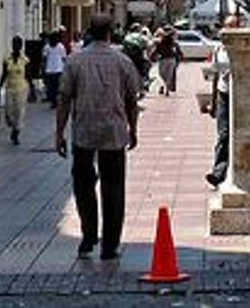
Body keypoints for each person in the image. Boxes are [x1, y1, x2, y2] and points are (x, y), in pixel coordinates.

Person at [55, 14, 140, 261]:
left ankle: (89, 234)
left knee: (83, 185)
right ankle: (110, 244)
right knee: (114, 188)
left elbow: (64, 98)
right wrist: (133, 129)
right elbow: (131, 100)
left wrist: (59, 132)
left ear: (89, 32)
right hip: (114, 131)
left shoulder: (75, 61)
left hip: (83, 131)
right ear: (110, 34)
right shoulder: (122, 61)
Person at [205, 14, 240, 188]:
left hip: (241, 96)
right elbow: (216, 75)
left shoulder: (244, 49)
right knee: (224, 134)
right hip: (224, 94)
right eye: (226, 27)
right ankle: (218, 173)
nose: (228, 31)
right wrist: (212, 101)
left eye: (233, 27)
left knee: (240, 135)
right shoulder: (219, 50)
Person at [0, 36, 30, 145]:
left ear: (21, 46)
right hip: (9, 88)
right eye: (14, 43)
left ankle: (16, 132)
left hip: (21, 89)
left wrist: (32, 89)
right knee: (9, 113)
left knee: (19, 112)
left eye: (18, 44)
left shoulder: (25, 60)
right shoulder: (7, 59)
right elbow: (3, 74)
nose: (16, 46)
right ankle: (13, 125)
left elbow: (28, 75)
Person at [153, 26, 181, 96]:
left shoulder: (161, 42)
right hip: (171, 60)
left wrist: (152, 56)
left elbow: (155, 51)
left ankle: (165, 88)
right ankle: (167, 88)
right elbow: (179, 52)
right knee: (168, 75)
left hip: (165, 60)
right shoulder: (172, 43)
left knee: (162, 74)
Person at [42, 31, 66, 108]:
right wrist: (43, 68)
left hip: (58, 70)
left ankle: (56, 101)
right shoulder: (47, 47)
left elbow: (63, 58)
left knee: (57, 87)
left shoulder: (60, 47)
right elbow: (44, 59)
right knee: (51, 87)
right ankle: (53, 101)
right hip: (50, 70)